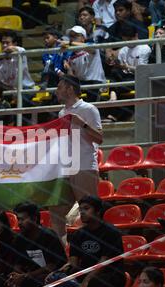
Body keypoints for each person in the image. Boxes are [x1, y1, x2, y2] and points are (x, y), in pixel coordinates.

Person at [49, 75, 103, 244]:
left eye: (59, 87)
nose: (56, 91)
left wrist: (82, 124)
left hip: (84, 164)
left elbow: (99, 138)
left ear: (70, 89)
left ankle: (96, 246)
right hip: (66, 167)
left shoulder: (88, 109)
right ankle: (65, 249)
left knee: (89, 212)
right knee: (56, 209)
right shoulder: (62, 112)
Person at [45, 195, 125, 287]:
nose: (82, 212)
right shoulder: (78, 234)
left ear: (98, 211)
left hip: (109, 274)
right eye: (80, 209)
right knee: (56, 281)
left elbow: (103, 263)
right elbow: (73, 263)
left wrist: (87, 280)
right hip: (84, 272)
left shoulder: (111, 232)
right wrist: (59, 272)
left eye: (86, 208)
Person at [5, 202, 67, 287]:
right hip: (30, 276)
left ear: (34, 218)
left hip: (50, 276)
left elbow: (52, 266)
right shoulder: (20, 238)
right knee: (6, 285)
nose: (20, 223)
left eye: (23, 219)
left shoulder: (49, 236)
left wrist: (25, 276)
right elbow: (17, 264)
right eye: (18, 219)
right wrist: (17, 276)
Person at [62, 26, 106, 102]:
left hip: (95, 82)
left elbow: (90, 48)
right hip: (81, 84)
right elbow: (73, 77)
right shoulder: (70, 56)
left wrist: (69, 43)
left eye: (75, 36)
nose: (72, 38)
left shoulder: (91, 46)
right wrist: (68, 68)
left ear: (83, 38)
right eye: (71, 36)